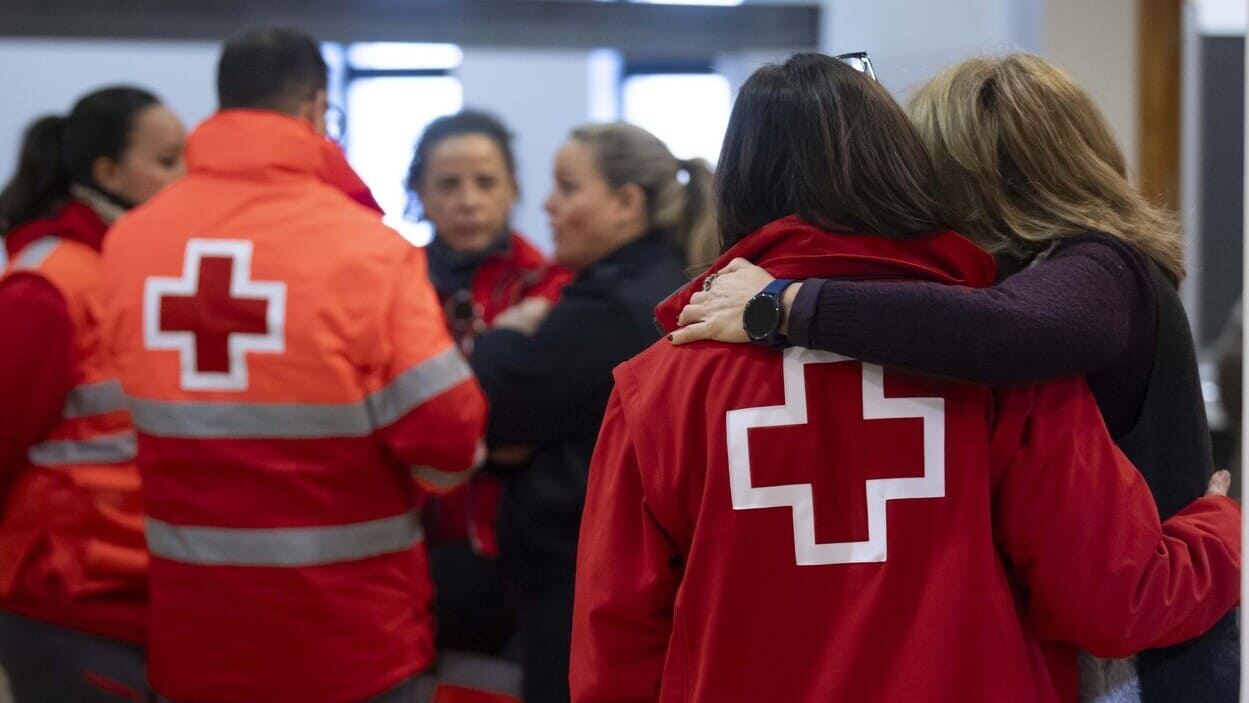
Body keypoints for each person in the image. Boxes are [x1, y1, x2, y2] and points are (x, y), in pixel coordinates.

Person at [571, 54, 1241, 703]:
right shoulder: (1003, 370)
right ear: (900, 171)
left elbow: (614, 656)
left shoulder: (654, 386)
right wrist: (1222, 529)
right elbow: (1104, 598)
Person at [97, 28, 487, 703]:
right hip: (351, 643)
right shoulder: (368, 250)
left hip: (193, 640)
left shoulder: (129, 242)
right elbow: (449, 439)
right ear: (315, 111)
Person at [468, 122, 716, 703]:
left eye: (568, 186)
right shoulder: (653, 282)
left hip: (583, 578)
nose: (548, 205)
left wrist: (503, 335)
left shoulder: (613, 305)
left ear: (628, 203)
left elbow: (488, 410)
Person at [0, 86, 185, 702]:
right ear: (106, 172)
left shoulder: (135, 270)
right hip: (67, 596)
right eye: (166, 162)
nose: (184, 179)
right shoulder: (48, 285)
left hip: (142, 590)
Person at [406, 110, 570, 660]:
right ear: (420, 194)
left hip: (519, 543)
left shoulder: (552, 282)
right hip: (410, 535)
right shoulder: (389, 282)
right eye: (448, 184)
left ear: (514, 190)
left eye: (485, 182)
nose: (468, 200)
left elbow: (530, 421)